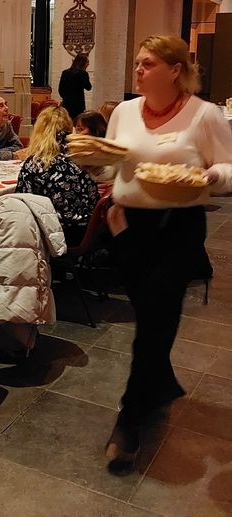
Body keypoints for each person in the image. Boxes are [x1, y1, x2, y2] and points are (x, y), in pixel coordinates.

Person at [103, 34, 232, 472]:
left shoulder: (205, 114)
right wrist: (94, 165)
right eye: (137, 63)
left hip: (177, 229)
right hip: (128, 227)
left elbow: (231, 167)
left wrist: (213, 174)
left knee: (155, 322)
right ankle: (161, 385)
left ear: (176, 69)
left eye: (148, 63)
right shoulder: (123, 112)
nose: (138, 70)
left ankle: (130, 417)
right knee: (150, 316)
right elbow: (111, 162)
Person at [15, 106, 99, 246]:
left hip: (57, 235)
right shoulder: (82, 157)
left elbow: (22, 204)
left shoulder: (36, 163)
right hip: (89, 229)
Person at [58, 53, 92, 119]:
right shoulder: (83, 74)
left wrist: (66, 98)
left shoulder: (65, 72)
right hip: (78, 104)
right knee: (77, 121)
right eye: (87, 62)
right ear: (82, 63)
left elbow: (60, 90)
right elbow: (88, 87)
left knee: (67, 120)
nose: (88, 64)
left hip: (66, 103)